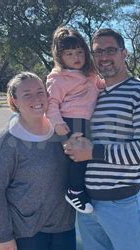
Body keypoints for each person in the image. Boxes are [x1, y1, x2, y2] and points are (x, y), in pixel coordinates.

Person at [64, 28, 140, 250]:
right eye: (97, 52)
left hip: (121, 204)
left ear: (124, 53)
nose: (104, 57)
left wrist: (92, 151)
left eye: (110, 50)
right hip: (86, 204)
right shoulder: (90, 91)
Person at [0, 72, 76, 250]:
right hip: (26, 232)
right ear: (15, 101)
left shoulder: (61, 131)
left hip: (63, 226)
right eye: (27, 94)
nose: (36, 99)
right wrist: (4, 236)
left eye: (40, 92)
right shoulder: (5, 142)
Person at [46, 27, 104, 214]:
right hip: (70, 122)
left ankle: (80, 189)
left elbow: (101, 87)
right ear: (60, 56)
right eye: (69, 53)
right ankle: (74, 191)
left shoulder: (90, 75)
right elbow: (51, 103)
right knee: (79, 159)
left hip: (85, 121)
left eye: (79, 52)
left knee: (86, 157)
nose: (76, 57)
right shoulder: (59, 79)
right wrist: (57, 123)